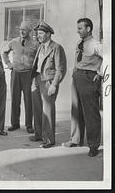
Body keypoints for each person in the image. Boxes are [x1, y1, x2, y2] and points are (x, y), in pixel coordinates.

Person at [62, 18, 102, 157]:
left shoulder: (96, 44)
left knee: (90, 114)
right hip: (77, 76)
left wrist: (100, 72)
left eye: (80, 28)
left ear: (88, 29)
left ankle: (93, 146)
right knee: (76, 110)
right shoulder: (80, 42)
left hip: (88, 78)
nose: (77, 31)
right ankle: (76, 140)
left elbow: (108, 57)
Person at [31, 21, 67, 148]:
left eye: (40, 33)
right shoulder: (41, 46)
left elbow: (61, 69)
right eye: (38, 33)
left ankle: (48, 140)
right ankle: (39, 134)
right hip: (37, 80)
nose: (38, 36)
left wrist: (54, 85)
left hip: (48, 82)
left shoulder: (57, 48)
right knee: (37, 109)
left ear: (48, 34)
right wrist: (33, 80)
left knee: (47, 111)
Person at [2, 21, 39, 133]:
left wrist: (35, 70)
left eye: (24, 30)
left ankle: (29, 125)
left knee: (29, 100)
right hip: (16, 74)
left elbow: (40, 58)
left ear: (30, 31)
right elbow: (4, 53)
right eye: (20, 30)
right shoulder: (13, 42)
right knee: (15, 99)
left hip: (28, 74)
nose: (22, 32)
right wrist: (9, 64)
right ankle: (15, 123)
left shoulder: (35, 44)